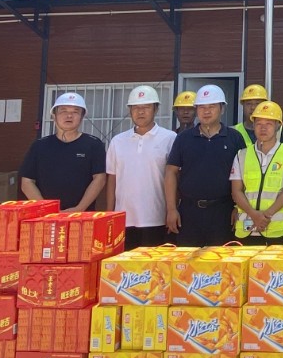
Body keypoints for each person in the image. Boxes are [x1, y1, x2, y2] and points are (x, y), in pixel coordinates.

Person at [163, 84, 244, 246]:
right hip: (189, 213)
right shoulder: (183, 138)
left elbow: (244, 175)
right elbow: (171, 172)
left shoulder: (234, 138)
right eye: (201, 107)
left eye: (212, 106)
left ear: (222, 108)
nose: (206, 111)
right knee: (187, 259)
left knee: (221, 259)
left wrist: (239, 208)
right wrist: (171, 209)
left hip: (223, 212)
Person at [105, 85, 175, 248]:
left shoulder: (170, 138)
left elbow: (174, 177)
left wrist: (172, 210)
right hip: (124, 218)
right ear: (130, 110)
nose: (140, 112)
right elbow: (112, 179)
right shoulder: (117, 141)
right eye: (135, 107)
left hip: (157, 217)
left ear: (156, 109)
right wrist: (109, 214)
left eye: (146, 107)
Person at [18, 92, 106, 210]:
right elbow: (27, 181)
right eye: (63, 111)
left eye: (75, 112)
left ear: (82, 117)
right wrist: (46, 208)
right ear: (54, 116)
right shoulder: (39, 146)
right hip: (46, 215)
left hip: (83, 215)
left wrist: (79, 208)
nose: (69, 116)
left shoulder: (94, 144)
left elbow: (100, 179)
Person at [230, 101, 283, 244]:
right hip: (247, 227)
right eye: (258, 124)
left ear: (278, 125)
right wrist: (254, 215)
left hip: (277, 228)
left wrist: (266, 215)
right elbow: (236, 191)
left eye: (268, 124)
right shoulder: (241, 155)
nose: (263, 128)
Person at [233, 84, 269, 148]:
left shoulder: (277, 131)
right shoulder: (233, 132)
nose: (253, 107)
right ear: (243, 106)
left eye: (257, 103)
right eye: (249, 104)